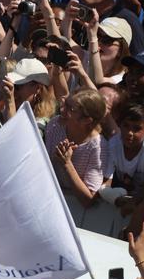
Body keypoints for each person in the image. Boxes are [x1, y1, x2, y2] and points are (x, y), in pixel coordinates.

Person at [46, 88, 108, 218]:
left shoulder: (98, 147)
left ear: (86, 120)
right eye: (64, 104)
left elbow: (88, 199)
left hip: (75, 216)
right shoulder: (54, 125)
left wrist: (67, 163)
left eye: (70, 109)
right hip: (48, 203)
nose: (62, 110)